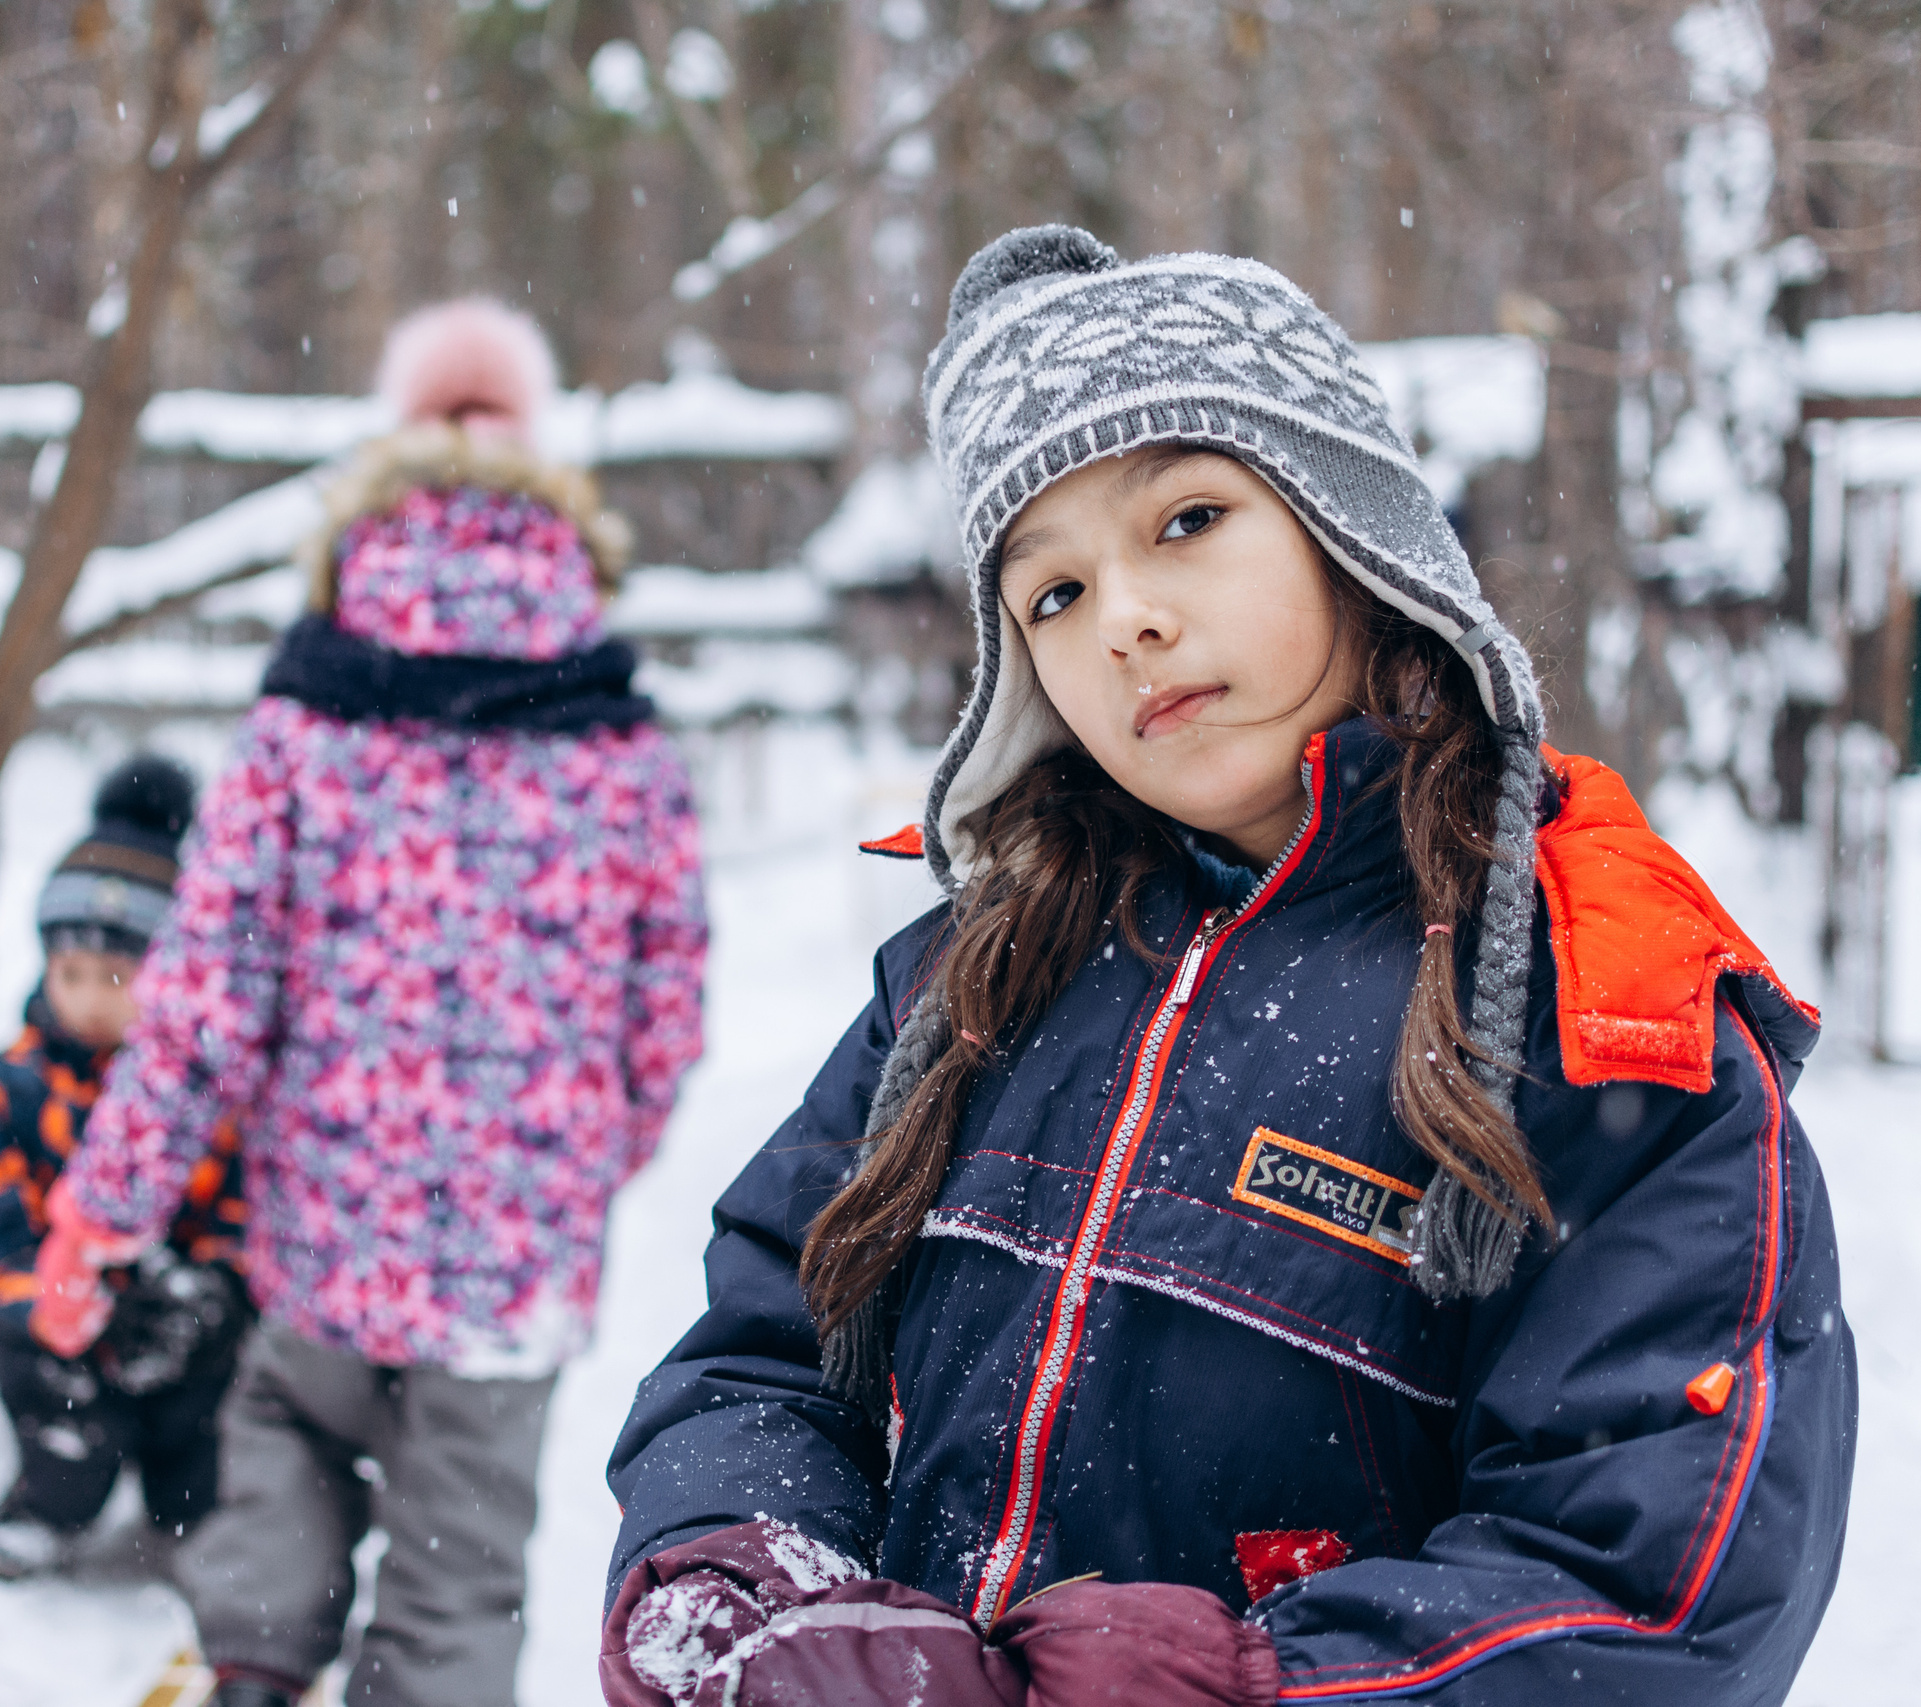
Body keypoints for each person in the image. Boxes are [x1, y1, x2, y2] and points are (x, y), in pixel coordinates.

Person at [599, 228, 1856, 1706]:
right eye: (1050, 593)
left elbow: (1652, 1584)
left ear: (1351, 525)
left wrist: (1225, 1684)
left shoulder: (1597, 1004)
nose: (1125, 615)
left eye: (1187, 517)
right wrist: (751, 1601)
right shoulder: (974, 979)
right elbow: (756, 1358)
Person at [41, 298, 709, 1707]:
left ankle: (255, 1665)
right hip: (514, 1266)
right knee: (461, 1562)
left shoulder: (307, 709)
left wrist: (105, 1205)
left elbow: (205, 993)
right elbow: (667, 1008)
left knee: (280, 1431)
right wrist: (586, 1152)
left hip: (328, 1224)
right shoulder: (619, 726)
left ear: (383, 473)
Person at [0, 755, 252, 1582]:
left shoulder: (202, 1095)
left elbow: (236, 1217)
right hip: (53, 1325)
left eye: (119, 975)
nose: (91, 997)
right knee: (63, 1407)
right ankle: (53, 1498)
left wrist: (207, 1292)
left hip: (172, 1319)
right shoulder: (1, 1088)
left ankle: (194, 1503)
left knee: (208, 1419)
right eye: (72, 971)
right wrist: (54, 1304)